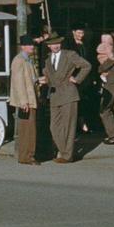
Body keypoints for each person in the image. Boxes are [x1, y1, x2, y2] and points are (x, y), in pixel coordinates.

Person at [39, 34, 91, 163]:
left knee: (68, 126)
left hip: (69, 94)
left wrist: (77, 79)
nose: (56, 46)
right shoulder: (47, 59)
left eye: (58, 43)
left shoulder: (69, 54)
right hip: (54, 95)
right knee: (54, 126)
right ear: (48, 46)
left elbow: (86, 66)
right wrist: (44, 81)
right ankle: (64, 150)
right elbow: (48, 76)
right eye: (53, 44)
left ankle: (67, 155)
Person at [9, 35, 42, 165]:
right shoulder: (19, 60)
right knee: (27, 129)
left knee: (29, 128)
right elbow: (18, 82)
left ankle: (27, 155)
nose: (32, 47)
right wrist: (23, 101)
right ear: (23, 46)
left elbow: (30, 79)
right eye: (29, 45)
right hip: (27, 101)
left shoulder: (27, 60)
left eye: (32, 44)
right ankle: (27, 156)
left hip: (31, 98)